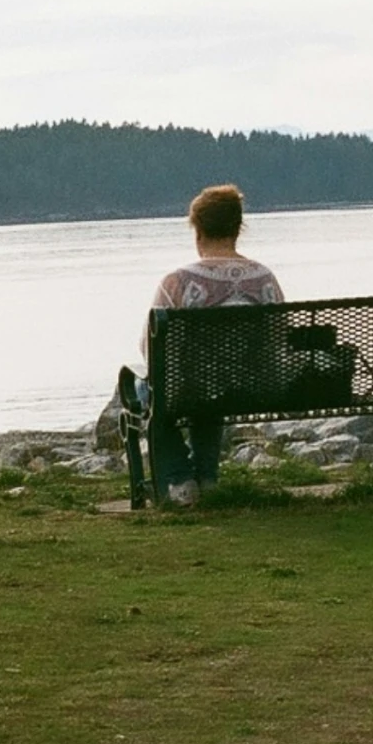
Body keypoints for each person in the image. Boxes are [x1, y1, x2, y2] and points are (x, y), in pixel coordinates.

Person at [129, 183, 283, 505]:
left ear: (197, 231)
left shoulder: (178, 282)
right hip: (257, 389)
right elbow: (279, 339)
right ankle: (207, 479)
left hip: (197, 390)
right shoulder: (265, 278)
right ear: (238, 228)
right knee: (208, 390)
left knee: (151, 390)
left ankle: (182, 481)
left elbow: (150, 350)